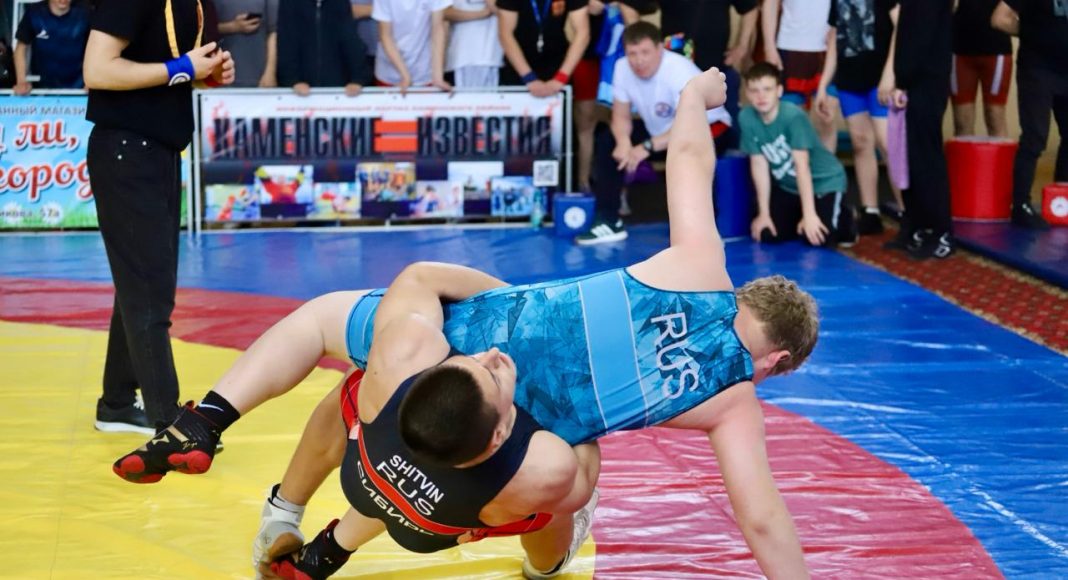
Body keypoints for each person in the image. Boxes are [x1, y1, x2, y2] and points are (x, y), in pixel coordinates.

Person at [114, 67, 813, 579]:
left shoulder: (699, 267)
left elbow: (687, 157)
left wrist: (693, 96)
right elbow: (761, 519)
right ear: (777, 361)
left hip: (463, 352)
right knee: (571, 480)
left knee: (327, 325)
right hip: (499, 463)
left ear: (746, 295)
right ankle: (530, 562)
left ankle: (214, 425)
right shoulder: (732, 403)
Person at [83, 0, 235, 434]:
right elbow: (97, 69)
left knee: (141, 282)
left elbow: (173, 66)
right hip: (127, 149)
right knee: (150, 290)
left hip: (160, 150)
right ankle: (170, 423)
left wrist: (206, 73)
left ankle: (116, 402)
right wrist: (180, 68)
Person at [581, 21, 732, 245]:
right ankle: (608, 220)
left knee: (687, 153)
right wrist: (623, 142)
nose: (639, 60)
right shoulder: (622, 67)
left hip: (708, 127)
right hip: (662, 131)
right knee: (608, 140)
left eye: (645, 52)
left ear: (659, 49)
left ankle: (699, 231)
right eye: (633, 54)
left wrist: (646, 147)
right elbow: (620, 116)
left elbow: (689, 126)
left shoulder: (678, 70)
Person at [742, 62, 856, 248]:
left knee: (819, 238)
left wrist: (809, 215)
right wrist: (764, 214)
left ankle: (845, 217)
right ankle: (800, 215)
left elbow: (802, 167)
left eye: (767, 89)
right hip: (789, 186)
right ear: (747, 93)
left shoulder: (793, 116)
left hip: (824, 182)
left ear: (779, 91)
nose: (761, 96)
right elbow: (758, 164)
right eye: (754, 91)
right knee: (767, 234)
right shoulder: (746, 117)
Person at [815, 0, 902, 236]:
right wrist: (824, 84)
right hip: (849, 80)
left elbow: (901, 28)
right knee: (861, 142)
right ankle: (870, 210)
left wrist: (890, 74)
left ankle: (907, 211)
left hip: (880, 80)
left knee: (888, 145)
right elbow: (836, 39)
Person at [886, 0, 955, 258]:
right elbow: (908, 32)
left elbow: (921, 36)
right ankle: (917, 226)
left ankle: (941, 231)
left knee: (927, 159)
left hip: (926, 81)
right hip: (914, 80)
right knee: (911, 158)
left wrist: (903, 80)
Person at [992, 0, 1065, 230]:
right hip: (1038, 69)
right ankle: (1020, 204)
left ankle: (1061, 200)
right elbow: (999, 18)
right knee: (1035, 137)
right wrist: (1034, 33)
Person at [761, 0, 838, 153]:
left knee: (826, 119)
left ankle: (826, 167)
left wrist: (839, 30)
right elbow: (770, 3)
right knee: (792, 121)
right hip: (790, 46)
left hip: (827, 49)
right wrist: (769, 46)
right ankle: (796, 168)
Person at [496, 0, 589, 98]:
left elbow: (583, 33)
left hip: (557, 65)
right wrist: (528, 77)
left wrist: (562, 76)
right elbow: (505, 34)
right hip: (518, 67)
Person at [276, 0, 367, 96]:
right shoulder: (289, 3)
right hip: (298, 88)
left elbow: (351, 41)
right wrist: (292, 80)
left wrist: (358, 79)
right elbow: (286, 42)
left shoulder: (340, 2)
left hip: (338, 87)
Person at [952, 0, 1013, 138]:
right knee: (962, 121)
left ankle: (999, 153)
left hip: (996, 49)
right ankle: (965, 154)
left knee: (995, 117)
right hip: (960, 49)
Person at [13, 0, 90, 94]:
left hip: (80, 87)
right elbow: (21, 49)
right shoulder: (34, 14)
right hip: (42, 86)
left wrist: (91, 80)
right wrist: (21, 81)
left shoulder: (85, 14)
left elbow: (95, 50)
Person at [372, 0, 452, 91]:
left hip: (425, 70)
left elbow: (437, 29)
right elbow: (385, 36)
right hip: (390, 71)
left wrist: (438, 77)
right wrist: (405, 76)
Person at [216, 0, 278, 87]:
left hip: (258, 73)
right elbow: (203, 28)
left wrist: (270, 72)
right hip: (220, 73)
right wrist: (232, 27)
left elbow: (274, 32)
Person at [445, 0, 503, 88]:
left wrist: (490, 8)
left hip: (492, 56)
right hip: (460, 57)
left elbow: (502, 9)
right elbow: (444, 13)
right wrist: (482, 13)